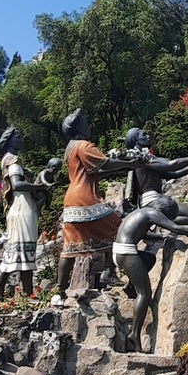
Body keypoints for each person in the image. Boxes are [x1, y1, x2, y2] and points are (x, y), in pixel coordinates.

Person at [112, 195, 188, 352]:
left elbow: (143, 235)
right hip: (127, 253)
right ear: (164, 211)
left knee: (149, 259)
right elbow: (175, 228)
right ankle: (134, 335)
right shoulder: (152, 213)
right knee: (145, 293)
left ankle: (131, 286)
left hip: (119, 250)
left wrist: (161, 237)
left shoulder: (140, 213)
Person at [57, 109, 144, 294]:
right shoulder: (83, 145)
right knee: (119, 229)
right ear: (79, 127)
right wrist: (128, 164)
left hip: (71, 200)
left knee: (70, 246)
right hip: (86, 197)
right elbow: (104, 164)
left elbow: (96, 171)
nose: (89, 126)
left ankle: (60, 289)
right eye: (86, 123)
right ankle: (109, 272)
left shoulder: (70, 148)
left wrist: (122, 167)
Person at [0, 126, 48, 301]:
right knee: (16, 253)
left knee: (22, 254)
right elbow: (17, 185)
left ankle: (25, 293)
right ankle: (2, 293)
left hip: (20, 208)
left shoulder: (8, 160)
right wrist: (39, 187)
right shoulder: (13, 161)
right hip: (21, 207)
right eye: (17, 136)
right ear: (10, 140)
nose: (21, 139)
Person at [121, 127, 188, 220]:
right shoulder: (142, 158)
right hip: (151, 201)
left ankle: (159, 222)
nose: (148, 136)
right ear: (136, 141)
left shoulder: (144, 157)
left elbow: (173, 174)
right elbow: (171, 165)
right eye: (143, 134)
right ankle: (158, 222)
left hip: (156, 199)